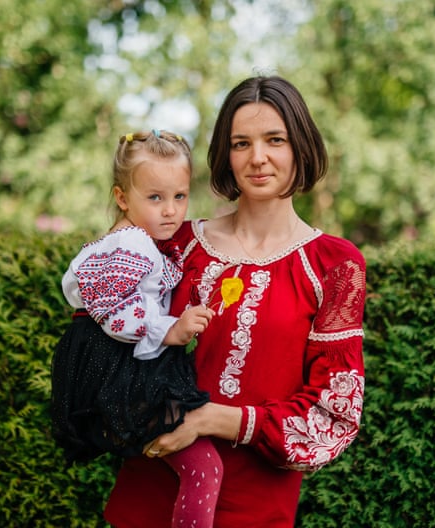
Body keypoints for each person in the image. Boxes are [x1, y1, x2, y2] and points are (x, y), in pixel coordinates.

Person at [103, 76, 367, 527]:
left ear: (300, 146)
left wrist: (211, 419)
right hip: (148, 498)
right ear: (226, 154)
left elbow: (334, 414)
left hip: (256, 510)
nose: (257, 157)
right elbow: (102, 329)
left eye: (275, 140)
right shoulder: (179, 243)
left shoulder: (334, 265)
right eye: (241, 143)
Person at [50, 129, 222, 528]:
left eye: (179, 196)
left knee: (189, 467)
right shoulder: (134, 246)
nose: (171, 211)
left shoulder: (128, 241)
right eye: (155, 197)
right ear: (122, 198)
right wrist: (172, 330)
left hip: (111, 368)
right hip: (121, 371)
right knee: (205, 470)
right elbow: (115, 314)